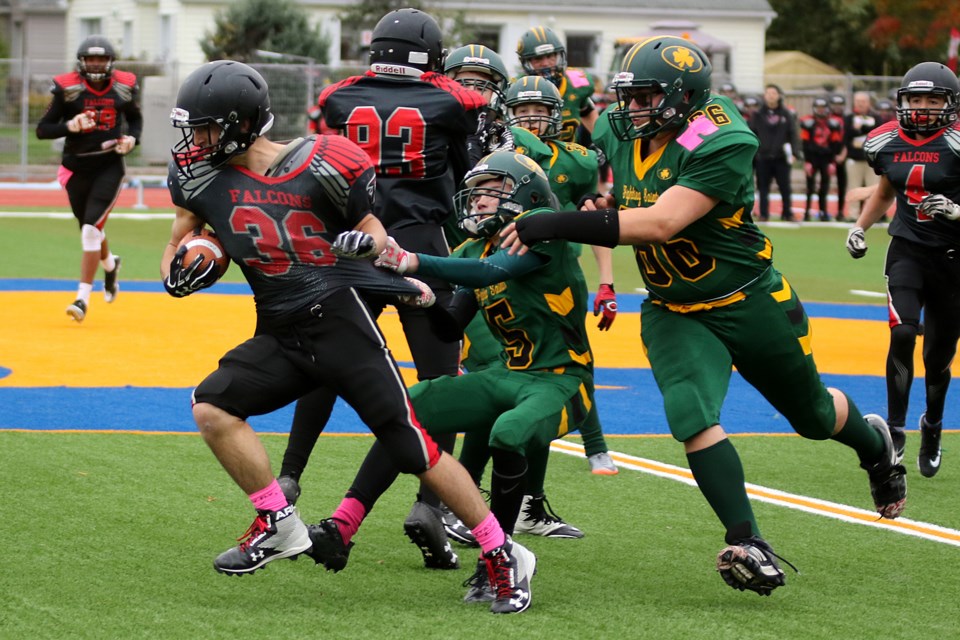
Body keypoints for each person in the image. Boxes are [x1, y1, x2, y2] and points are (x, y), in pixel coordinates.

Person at [501, 35, 907, 596]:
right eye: (629, 96)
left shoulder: (721, 136)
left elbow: (663, 222)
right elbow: (604, 189)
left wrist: (555, 222)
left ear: (682, 98)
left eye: (645, 98)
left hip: (748, 299)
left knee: (813, 417)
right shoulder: (618, 129)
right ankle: (747, 539)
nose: (630, 109)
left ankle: (873, 446)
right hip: (675, 308)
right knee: (689, 413)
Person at [161, 60, 535, 612]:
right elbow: (178, 243)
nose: (195, 141)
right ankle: (278, 521)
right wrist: (180, 269)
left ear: (242, 124)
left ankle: (504, 553)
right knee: (212, 407)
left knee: (413, 448)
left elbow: (374, 230)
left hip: (340, 324)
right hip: (280, 331)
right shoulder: (198, 178)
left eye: (207, 127)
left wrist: (371, 248)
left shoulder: (324, 162)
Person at [309, 150, 586, 608]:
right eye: (476, 191)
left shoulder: (542, 236)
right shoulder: (472, 248)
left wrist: (413, 261)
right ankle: (344, 523)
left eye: (492, 190)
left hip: (561, 379)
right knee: (408, 406)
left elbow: (493, 271)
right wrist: (417, 298)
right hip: (508, 374)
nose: (478, 201)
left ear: (526, 196)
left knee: (508, 434)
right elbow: (449, 327)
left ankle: (498, 557)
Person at [276, 8, 487, 571]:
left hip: (351, 246)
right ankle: (428, 504)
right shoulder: (454, 99)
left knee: (329, 360)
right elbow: (475, 162)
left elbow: (317, 167)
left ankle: (291, 472)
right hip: (422, 245)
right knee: (441, 385)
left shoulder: (338, 96)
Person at [845, 61, 960, 479]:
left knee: (939, 357)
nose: (923, 107)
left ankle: (931, 426)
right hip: (906, 251)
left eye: (933, 99)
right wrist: (859, 227)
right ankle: (895, 431)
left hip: (953, 260)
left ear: (949, 104)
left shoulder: (957, 142)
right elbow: (884, 190)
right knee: (903, 331)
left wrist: (955, 210)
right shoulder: (883, 141)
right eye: (916, 98)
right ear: (902, 101)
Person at [36, 35, 141, 323]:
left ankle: (82, 298)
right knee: (90, 227)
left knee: (91, 230)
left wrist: (133, 139)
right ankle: (110, 264)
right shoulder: (68, 89)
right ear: (82, 62)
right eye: (91, 59)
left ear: (110, 62)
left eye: (101, 59)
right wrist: (70, 125)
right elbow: (42, 129)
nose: (96, 64)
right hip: (76, 168)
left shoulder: (124, 86)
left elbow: (135, 119)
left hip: (109, 167)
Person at [516, 26, 598, 143]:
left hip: (569, 155)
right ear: (526, 62)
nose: (546, 63)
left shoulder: (575, 82)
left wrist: (602, 144)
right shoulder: (518, 88)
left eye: (550, 56)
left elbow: (588, 114)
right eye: (538, 58)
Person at [749, 84, 800, 221]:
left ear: (779, 96)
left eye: (774, 93)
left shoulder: (786, 114)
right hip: (763, 157)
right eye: (768, 93)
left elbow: (793, 134)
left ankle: (787, 213)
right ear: (764, 96)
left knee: (785, 187)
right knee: (763, 187)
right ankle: (764, 214)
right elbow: (752, 134)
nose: (771, 96)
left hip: (781, 157)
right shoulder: (757, 115)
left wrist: (795, 153)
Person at [799, 97, 844, 222]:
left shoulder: (833, 124)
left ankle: (823, 211)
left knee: (824, 187)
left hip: (826, 159)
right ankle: (807, 212)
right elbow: (805, 143)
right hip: (812, 158)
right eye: (818, 108)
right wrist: (807, 161)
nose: (820, 110)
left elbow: (836, 144)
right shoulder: (807, 123)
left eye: (823, 108)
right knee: (810, 187)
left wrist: (832, 162)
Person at [842, 91, 880, 222]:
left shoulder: (876, 117)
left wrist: (860, 129)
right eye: (857, 101)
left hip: (871, 160)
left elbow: (876, 131)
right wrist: (860, 130)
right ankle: (853, 215)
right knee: (854, 186)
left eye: (863, 101)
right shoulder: (848, 117)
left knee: (873, 188)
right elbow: (847, 135)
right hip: (854, 158)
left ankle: (873, 215)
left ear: (868, 103)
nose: (860, 104)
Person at [829, 94, 850, 218]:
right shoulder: (827, 119)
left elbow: (848, 138)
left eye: (839, 105)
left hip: (843, 154)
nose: (837, 107)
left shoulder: (847, 119)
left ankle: (840, 211)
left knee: (843, 185)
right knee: (824, 184)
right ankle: (823, 211)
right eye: (835, 105)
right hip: (829, 154)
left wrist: (843, 154)